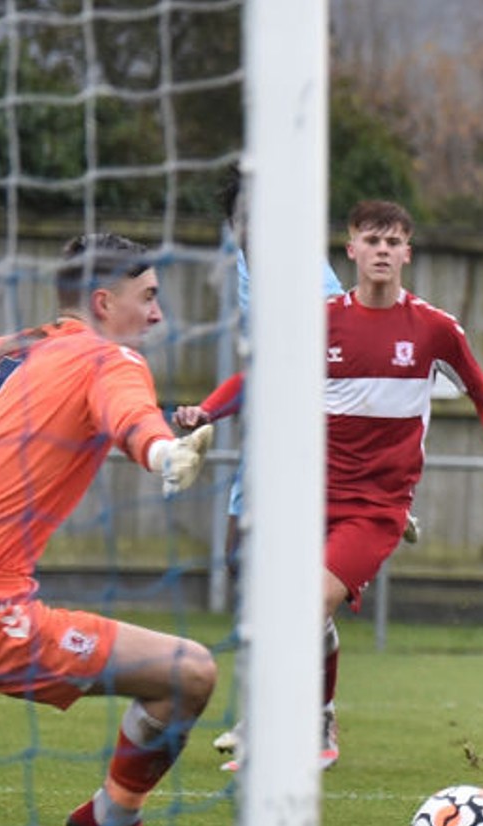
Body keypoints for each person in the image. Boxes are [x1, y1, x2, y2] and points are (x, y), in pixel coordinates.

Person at [215, 199, 483, 771]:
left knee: (302, 608)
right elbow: (259, 376)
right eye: (371, 240)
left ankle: (276, 729)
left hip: (377, 508)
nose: (383, 251)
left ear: (407, 252)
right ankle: (320, 716)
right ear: (351, 249)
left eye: (393, 242)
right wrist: (206, 415)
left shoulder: (434, 329)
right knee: (290, 609)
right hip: (307, 497)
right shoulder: (320, 320)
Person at [0, 233, 218, 826]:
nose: (158, 314)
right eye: (149, 297)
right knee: (188, 674)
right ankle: (111, 823)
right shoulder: (111, 358)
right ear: (105, 302)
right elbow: (133, 419)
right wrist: (168, 456)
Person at [174, 164, 348, 577]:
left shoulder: (305, 271)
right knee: (239, 561)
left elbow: (342, 343)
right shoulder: (244, 266)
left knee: (299, 581)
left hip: (319, 439)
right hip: (267, 433)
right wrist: (207, 411)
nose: (251, 230)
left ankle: (380, 498)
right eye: (243, 220)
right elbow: (264, 376)